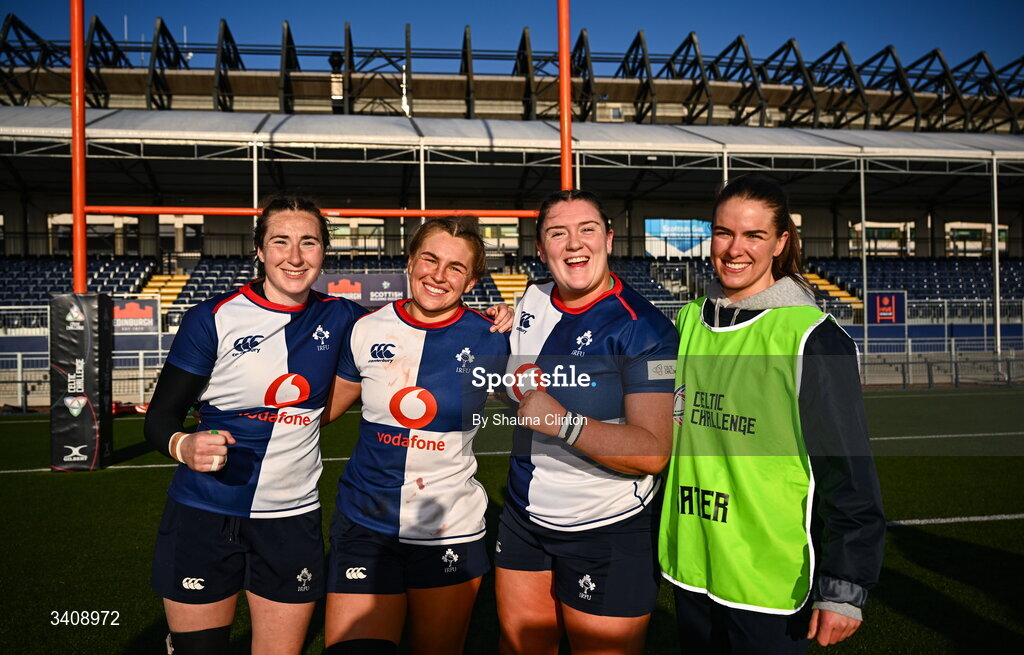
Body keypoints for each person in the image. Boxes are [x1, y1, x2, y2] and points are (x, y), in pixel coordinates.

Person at [658, 175, 885, 654]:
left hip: (770, 584)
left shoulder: (812, 338)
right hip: (692, 567)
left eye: (754, 235)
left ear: (780, 242)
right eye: (724, 232)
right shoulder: (687, 322)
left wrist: (844, 585)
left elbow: (847, 470)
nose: (735, 248)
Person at [144, 196, 367, 655]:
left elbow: (418, 324)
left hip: (291, 520)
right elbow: (159, 418)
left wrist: (489, 319)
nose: (295, 256)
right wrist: (183, 445)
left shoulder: (344, 316)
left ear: (324, 251)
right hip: (204, 514)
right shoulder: (212, 318)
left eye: (309, 242)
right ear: (260, 251)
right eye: (280, 242)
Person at [495, 190, 679, 655]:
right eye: (558, 233)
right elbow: (518, 386)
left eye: (587, 230)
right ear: (541, 249)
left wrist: (564, 423)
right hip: (523, 515)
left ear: (609, 239)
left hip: (607, 527)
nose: (574, 244)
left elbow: (654, 452)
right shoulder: (530, 300)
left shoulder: (644, 329)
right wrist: (492, 327)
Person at [322, 216, 511, 655]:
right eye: (429, 259)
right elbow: (322, 410)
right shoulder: (367, 329)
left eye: (456, 268)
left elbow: (540, 403)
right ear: (410, 261)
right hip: (365, 522)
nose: (438, 275)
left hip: (448, 527)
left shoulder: (493, 337)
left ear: (473, 279)